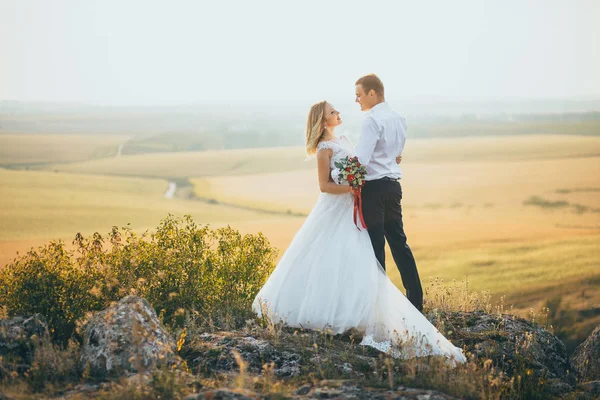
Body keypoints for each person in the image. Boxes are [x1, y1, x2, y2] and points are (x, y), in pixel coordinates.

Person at [251, 100, 466, 364]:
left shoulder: (345, 139)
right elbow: (324, 186)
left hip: (355, 206)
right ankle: (328, 311)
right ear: (322, 121)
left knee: (356, 258)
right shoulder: (323, 149)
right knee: (330, 256)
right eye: (332, 112)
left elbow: (364, 162)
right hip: (336, 209)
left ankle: (359, 311)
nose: (338, 113)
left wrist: (389, 160)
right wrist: (352, 188)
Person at [354, 73, 423, 312]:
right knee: (399, 243)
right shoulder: (399, 118)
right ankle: (415, 301)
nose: (357, 100)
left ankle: (378, 306)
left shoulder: (371, 120)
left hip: (374, 189)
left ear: (373, 93)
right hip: (394, 187)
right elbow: (396, 154)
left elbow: (361, 160)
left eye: (359, 95)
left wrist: (340, 171)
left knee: (375, 248)